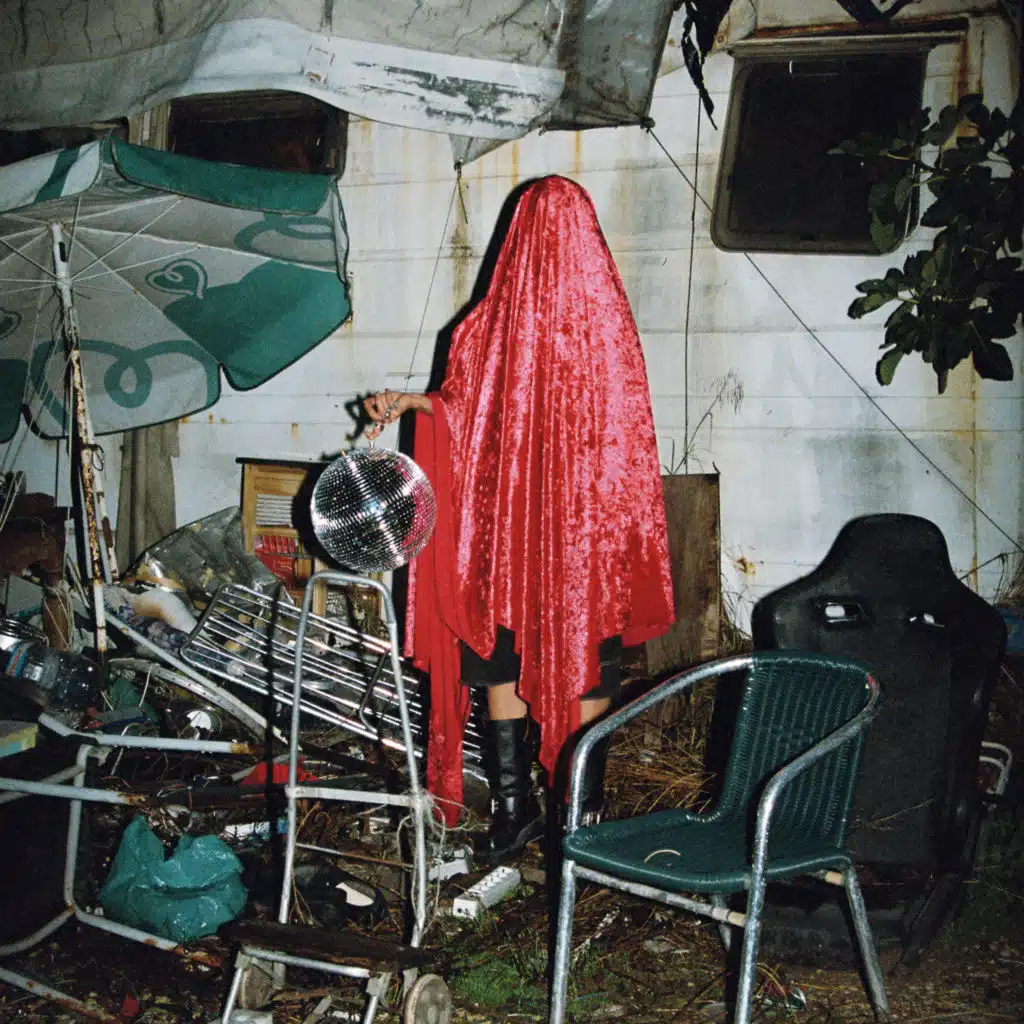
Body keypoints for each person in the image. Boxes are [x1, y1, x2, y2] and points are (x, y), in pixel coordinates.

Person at [364, 176, 674, 863]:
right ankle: (559, 814)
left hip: (525, 540)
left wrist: (416, 405)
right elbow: (622, 445)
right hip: (563, 542)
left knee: (522, 649)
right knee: (553, 653)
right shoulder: (591, 326)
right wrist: (416, 404)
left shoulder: (498, 327)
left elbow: (459, 413)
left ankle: (532, 811)